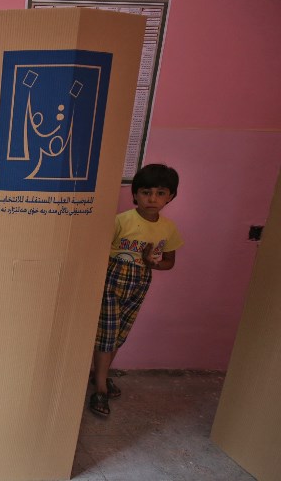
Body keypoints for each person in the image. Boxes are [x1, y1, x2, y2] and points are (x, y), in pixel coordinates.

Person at [89, 164, 183, 416]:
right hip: (112, 282)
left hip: (140, 283)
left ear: (171, 196)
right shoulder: (121, 221)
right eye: (146, 192)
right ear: (135, 194)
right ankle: (100, 389)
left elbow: (169, 262)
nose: (153, 199)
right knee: (107, 336)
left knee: (120, 334)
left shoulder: (168, 228)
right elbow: (98, 251)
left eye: (160, 193)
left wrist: (153, 263)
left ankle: (100, 375)